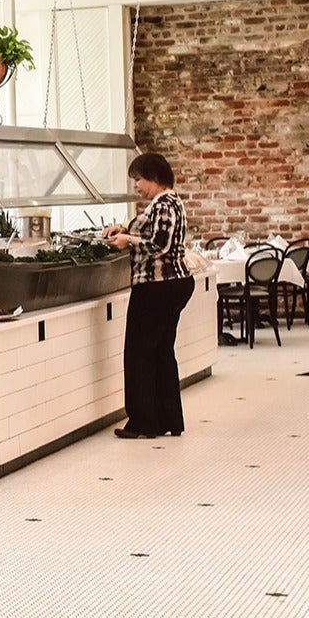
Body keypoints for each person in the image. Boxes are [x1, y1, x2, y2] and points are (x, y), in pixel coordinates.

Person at [102, 153, 194, 440]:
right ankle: (167, 419)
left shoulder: (164, 204)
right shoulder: (168, 203)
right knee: (161, 353)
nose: (136, 186)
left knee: (139, 355)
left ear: (154, 177)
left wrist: (127, 240)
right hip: (170, 285)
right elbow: (152, 232)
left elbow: (159, 245)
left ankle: (143, 423)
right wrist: (124, 230)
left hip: (158, 286)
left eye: (138, 179)